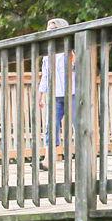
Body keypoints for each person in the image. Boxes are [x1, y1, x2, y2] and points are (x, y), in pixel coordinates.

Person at [40, 17, 72, 155]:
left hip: (73, 93)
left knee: (78, 125)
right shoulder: (47, 53)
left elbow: (77, 68)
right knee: (50, 126)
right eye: (49, 29)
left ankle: (83, 158)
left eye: (54, 29)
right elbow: (45, 75)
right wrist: (40, 95)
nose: (50, 32)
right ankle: (48, 160)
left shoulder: (70, 48)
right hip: (55, 94)